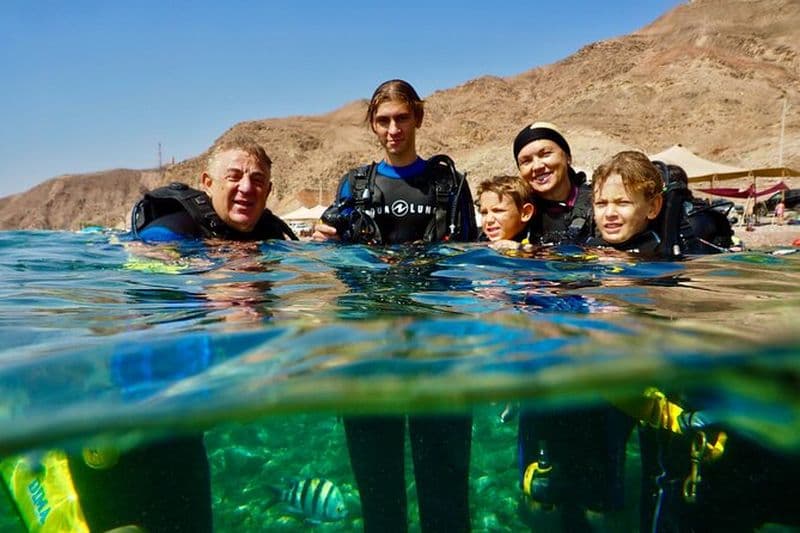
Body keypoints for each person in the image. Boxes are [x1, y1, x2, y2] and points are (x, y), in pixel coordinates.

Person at [66, 136, 297, 533]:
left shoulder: (272, 237)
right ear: (207, 183)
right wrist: (207, 283)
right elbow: (148, 260)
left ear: (270, 190)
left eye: (258, 180)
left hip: (182, 422)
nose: (247, 188)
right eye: (235, 176)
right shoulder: (175, 227)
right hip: (122, 415)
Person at [313, 79, 477, 532]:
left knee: (446, 491)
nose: (393, 129)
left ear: (418, 118)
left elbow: (468, 259)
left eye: (402, 118)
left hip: (438, 345)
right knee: (378, 493)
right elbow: (338, 261)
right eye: (383, 120)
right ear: (372, 125)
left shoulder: (450, 185)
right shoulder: (355, 185)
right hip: (369, 346)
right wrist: (326, 244)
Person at [513, 121, 593, 245]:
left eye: (545, 154)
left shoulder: (599, 204)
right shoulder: (518, 213)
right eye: (526, 161)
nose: (537, 166)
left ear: (568, 157)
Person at [476, 174, 535, 247]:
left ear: (525, 213)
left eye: (498, 211)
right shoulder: (481, 239)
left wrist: (521, 249)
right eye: (484, 213)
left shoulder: (538, 238)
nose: (489, 220)